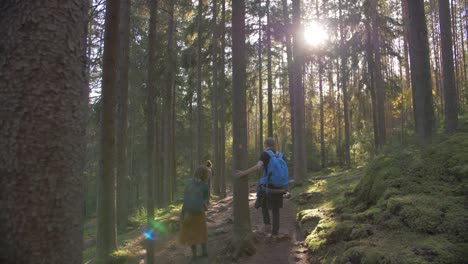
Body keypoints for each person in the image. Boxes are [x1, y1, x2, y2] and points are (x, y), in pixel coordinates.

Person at [234, 138, 287, 236]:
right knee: (276, 211)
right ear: (274, 145)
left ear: (266, 145)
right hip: (279, 187)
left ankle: (267, 226)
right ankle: (275, 232)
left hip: (268, 187)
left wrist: (243, 173)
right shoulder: (281, 155)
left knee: (263, 204)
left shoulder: (265, 154)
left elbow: (258, 167)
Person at [179, 166, 211, 261]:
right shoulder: (203, 185)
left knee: (195, 232)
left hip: (192, 212)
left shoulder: (192, 183)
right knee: (198, 232)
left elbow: (186, 198)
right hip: (195, 212)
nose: (208, 176)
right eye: (207, 174)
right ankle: (200, 253)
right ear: (203, 174)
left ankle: (198, 254)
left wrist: (183, 212)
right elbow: (204, 199)